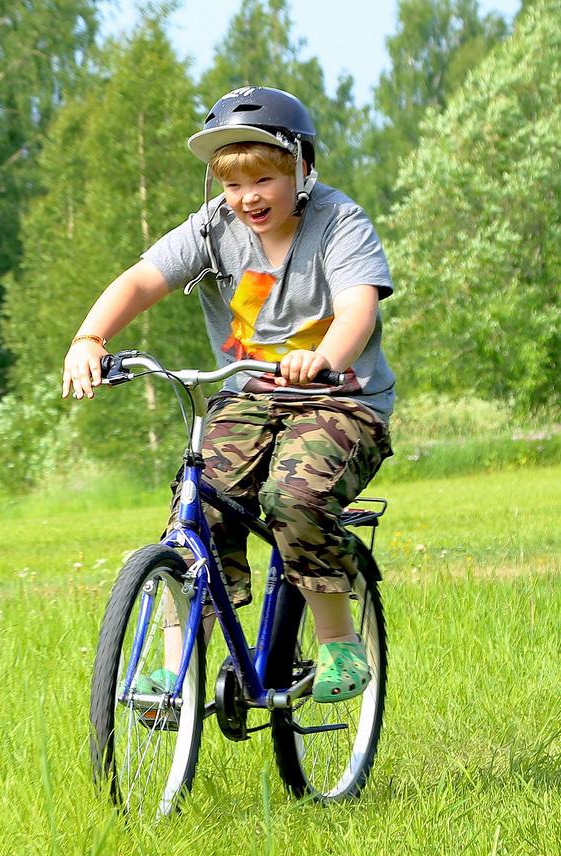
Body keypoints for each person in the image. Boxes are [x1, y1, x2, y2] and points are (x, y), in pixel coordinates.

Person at [62, 86, 395, 703]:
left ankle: (340, 644)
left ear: (302, 167)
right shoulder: (213, 228)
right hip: (247, 397)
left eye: (264, 179)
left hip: (339, 399)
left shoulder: (339, 222)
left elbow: (358, 308)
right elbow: (141, 279)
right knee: (201, 507)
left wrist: (324, 357)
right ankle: (175, 668)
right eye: (233, 184)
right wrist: (90, 337)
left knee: (294, 497)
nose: (248, 198)